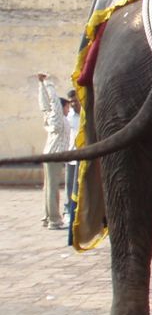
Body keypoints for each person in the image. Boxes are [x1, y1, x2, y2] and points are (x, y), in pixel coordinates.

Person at [37, 74, 71, 230]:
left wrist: (41, 85)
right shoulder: (58, 118)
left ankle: (47, 217)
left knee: (48, 187)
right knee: (52, 189)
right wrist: (48, 83)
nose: (68, 109)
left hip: (49, 154)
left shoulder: (50, 117)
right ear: (62, 107)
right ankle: (54, 220)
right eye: (67, 107)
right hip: (54, 156)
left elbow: (44, 105)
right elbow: (53, 104)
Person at [64, 88, 81, 243]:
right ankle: (69, 213)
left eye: (76, 100)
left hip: (84, 158)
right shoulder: (69, 117)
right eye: (71, 102)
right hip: (71, 157)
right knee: (70, 189)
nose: (74, 103)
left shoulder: (86, 116)